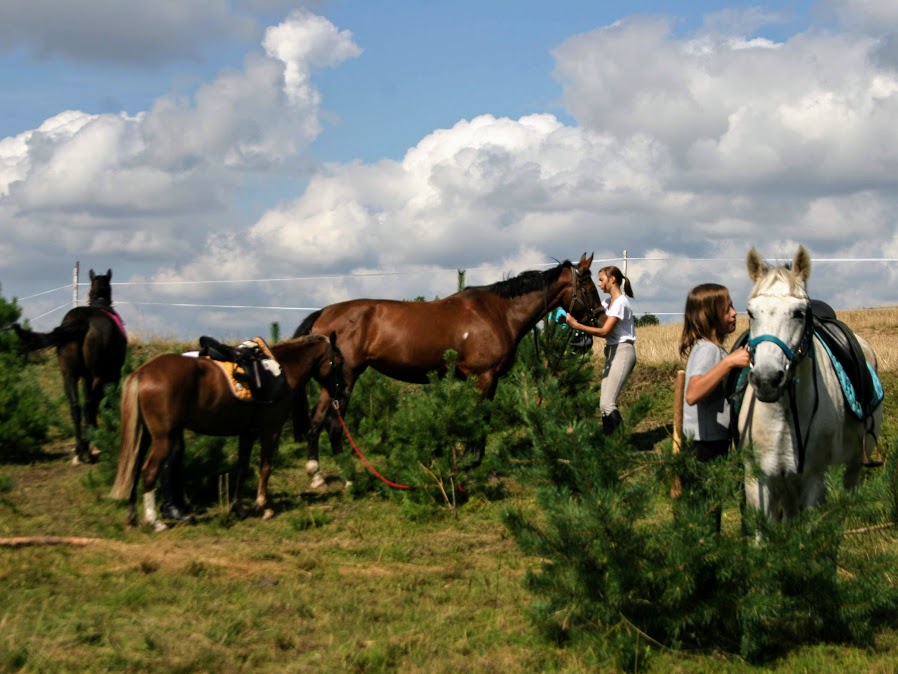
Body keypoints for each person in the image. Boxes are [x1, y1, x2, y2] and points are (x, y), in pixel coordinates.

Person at [678, 284, 751, 532]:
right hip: (702, 447)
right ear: (709, 315)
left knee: (709, 517)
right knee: (704, 521)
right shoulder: (707, 350)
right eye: (727, 308)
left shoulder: (711, 349)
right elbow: (693, 393)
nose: (734, 313)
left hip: (709, 443)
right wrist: (730, 362)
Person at [564, 265, 636, 434]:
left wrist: (576, 325)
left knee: (607, 403)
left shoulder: (620, 303)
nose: (599, 283)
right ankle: (609, 443)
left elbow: (604, 331)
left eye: (602, 280)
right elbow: (593, 317)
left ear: (612, 280)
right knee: (603, 405)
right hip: (612, 352)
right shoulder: (606, 303)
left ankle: (620, 443)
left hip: (623, 352)